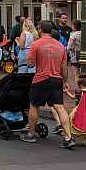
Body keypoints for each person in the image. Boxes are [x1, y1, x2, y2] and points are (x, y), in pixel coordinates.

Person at [21, 20, 74, 149]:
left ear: (40, 30)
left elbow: (30, 64)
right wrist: (65, 81)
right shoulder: (60, 46)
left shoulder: (36, 44)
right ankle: (68, 137)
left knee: (34, 105)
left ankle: (31, 134)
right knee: (60, 107)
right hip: (56, 79)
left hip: (41, 79)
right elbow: (64, 67)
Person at [66, 20, 81, 93]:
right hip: (82, 54)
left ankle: (77, 88)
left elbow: (69, 45)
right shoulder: (83, 33)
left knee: (76, 73)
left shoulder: (73, 35)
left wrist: (67, 51)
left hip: (74, 55)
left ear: (74, 26)